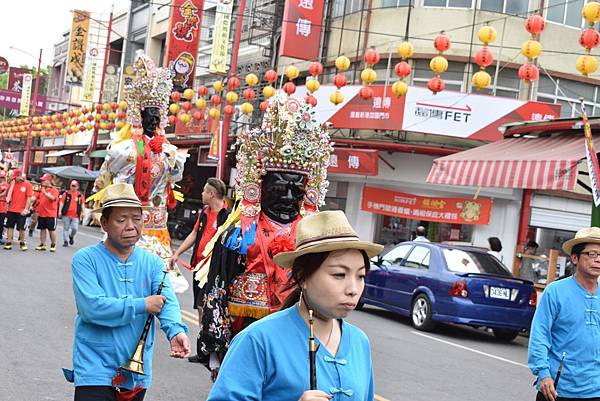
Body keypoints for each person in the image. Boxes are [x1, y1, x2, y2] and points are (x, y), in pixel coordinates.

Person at [196, 95, 333, 379]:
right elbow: (218, 291)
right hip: (246, 333)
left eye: (296, 189)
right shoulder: (237, 235)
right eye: (279, 187)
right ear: (259, 186)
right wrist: (217, 348)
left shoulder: (315, 237)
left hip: (297, 335)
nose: (287, 196)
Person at [207, 210, 383, 401]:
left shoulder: (359, 342)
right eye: (339, 274)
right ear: (302, 277)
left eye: (361, 276)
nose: (353, 289)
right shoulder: (258, 340)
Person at [64, 183, 191, 401]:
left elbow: (166, 300)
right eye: (121, 220)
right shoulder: (85, 259)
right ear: (104, 222)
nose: (131, 226)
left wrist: (176, 331)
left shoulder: (152, 262)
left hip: (136, 368)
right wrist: (142, 304)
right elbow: (91, 307)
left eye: (137, 218)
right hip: (94, 366)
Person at [92, 51, 186, 268]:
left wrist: (169, 157)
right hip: (127, 217)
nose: (153, 119)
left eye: (157, 114)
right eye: (149, 114)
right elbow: (104, 180)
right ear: (139, 115)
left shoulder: (169, 151)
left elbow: (175, 179)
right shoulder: (124, 150)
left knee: (156, 277)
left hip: (156, 222)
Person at [528, 227, 600, 401]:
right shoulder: (555, 292)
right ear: (574, 258)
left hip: (596, 390)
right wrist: (544, 374)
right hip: (557, 389)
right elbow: (540, 334)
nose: (598, 260)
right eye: (592, 254)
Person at [168, 177, 230, 362]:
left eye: (204, 191)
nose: (202, 194)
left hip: (214, 271)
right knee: (200, 308)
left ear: (211, 194)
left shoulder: (227, 215)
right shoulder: (204, 212)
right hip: (199, 267)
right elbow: (195, 234)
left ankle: (213, 348)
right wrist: (177, 252)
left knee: (210, 307)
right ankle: (204, 349)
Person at [3, 170, 34, 251]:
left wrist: (26, 209)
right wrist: (12, 185)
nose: (13, 179)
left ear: (19, 176)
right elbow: (8, 198)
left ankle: (22, 243)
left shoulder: (27, 185)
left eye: (15, 177)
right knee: (10, 226)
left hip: (21, 210)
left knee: (21, 228)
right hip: (11, 209)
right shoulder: (12, 184)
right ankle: (9, 242)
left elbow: (29, 197)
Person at [35, 173, 59, 252]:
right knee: (42, 229)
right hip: (42, 213)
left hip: (50, 214)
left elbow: (52, 198)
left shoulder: (54, 190)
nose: (42, 182)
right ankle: (42, 244)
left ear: (48, 181)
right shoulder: (41, 189)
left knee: (51, 230)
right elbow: (36, 198)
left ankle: (53, 244)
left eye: (44, 180)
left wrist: (44, 192)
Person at [59, 180, 84, 247]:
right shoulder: (66, 194)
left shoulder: (79, 195)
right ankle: (65, 241)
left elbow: (82, 204)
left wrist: (83, 212)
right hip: (66, 214)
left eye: (74, 186)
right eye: (72, 186)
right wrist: (59, 211)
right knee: (66, 228)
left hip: (75, 215)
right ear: (70, 186)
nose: (73, 187)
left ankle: (71, 236)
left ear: (77, 187)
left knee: (74, 229)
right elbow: (62, 203)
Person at [0, 170, 8, 244]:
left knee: (1, 223)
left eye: (2, 177)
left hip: (2, 206)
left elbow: (5, 193)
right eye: (0, 177)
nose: (1, 179)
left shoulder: (5, 185)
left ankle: (0, 237)